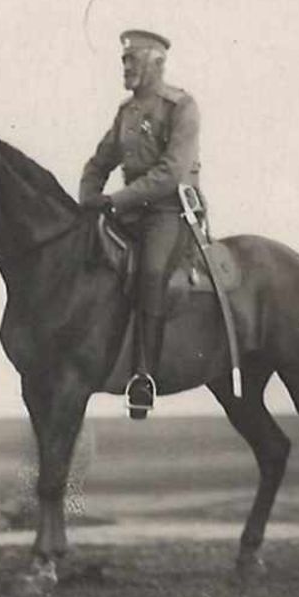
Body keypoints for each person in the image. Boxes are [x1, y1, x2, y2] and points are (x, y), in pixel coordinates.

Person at [78, 30, 203, 409]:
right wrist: (87, 202)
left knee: (150, 272)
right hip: (129, 211)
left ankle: (143, 376)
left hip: (169, 211)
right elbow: (98, 163)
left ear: (157, 62)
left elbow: (170, 172)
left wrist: (114, 200)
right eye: (124, 60)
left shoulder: (180, 106)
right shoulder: (126, 112)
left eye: (132, 59)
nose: (126, 66)